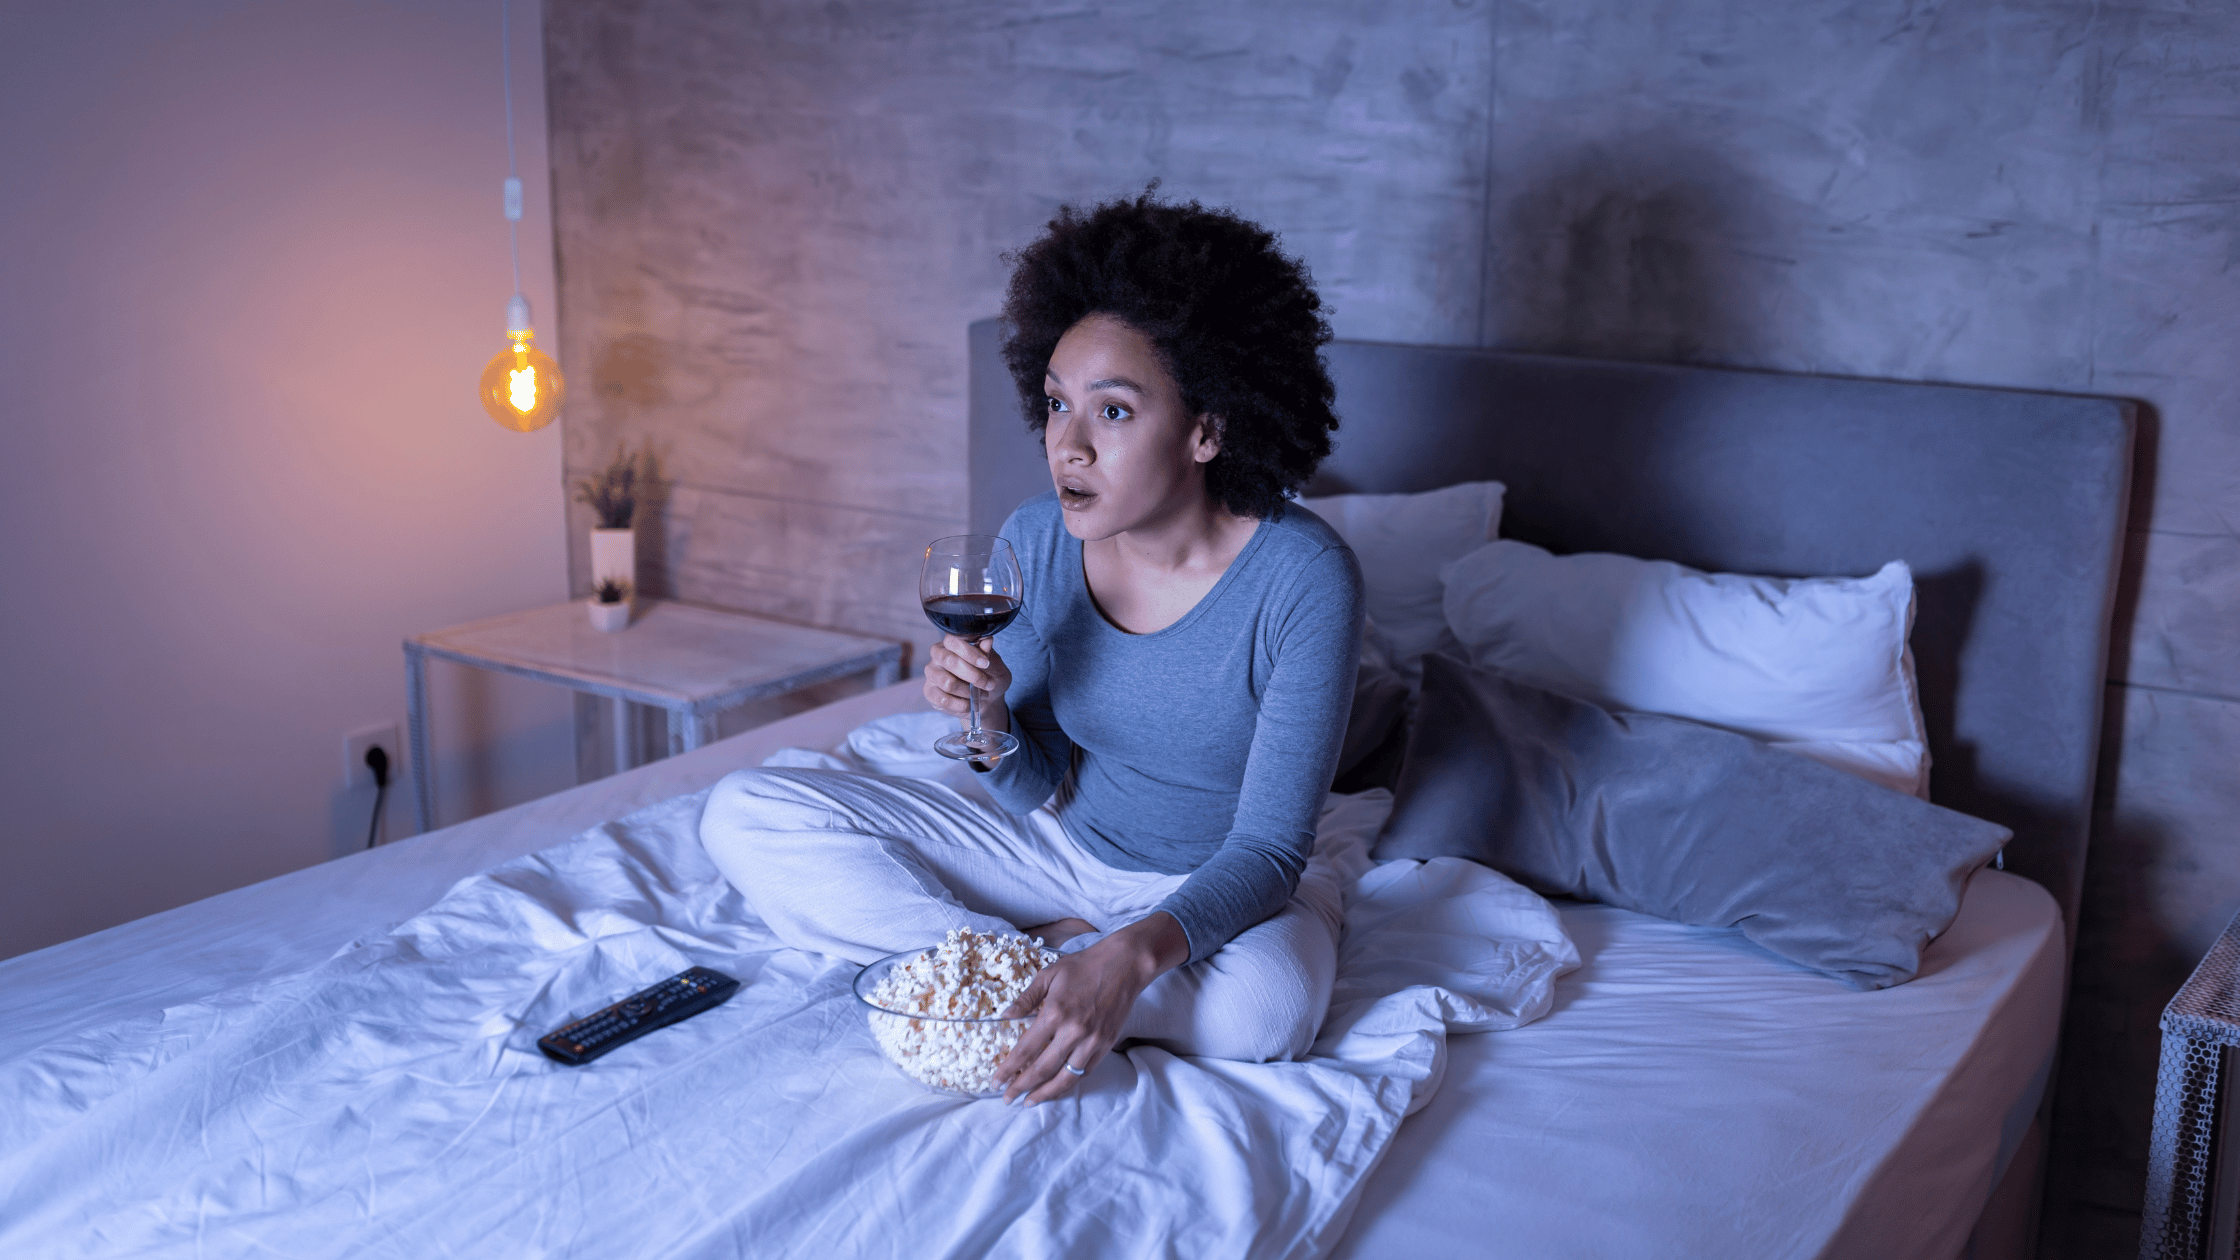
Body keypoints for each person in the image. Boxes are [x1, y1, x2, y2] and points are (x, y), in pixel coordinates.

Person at [697, 190, 1362, 1106]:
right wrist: (990, 719)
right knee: (743, 812)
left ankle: (1031, 974)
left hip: (1220, 889)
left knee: (1268, 1013)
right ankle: (1030, 961)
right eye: (1055, 404)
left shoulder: (1305, 578)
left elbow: (1271, 849)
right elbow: (1035, 781)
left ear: (1209, 429)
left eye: (1114, 412)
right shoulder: (1040, 540)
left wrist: (1131, 954)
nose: (1067, 446)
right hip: (1060, 855)